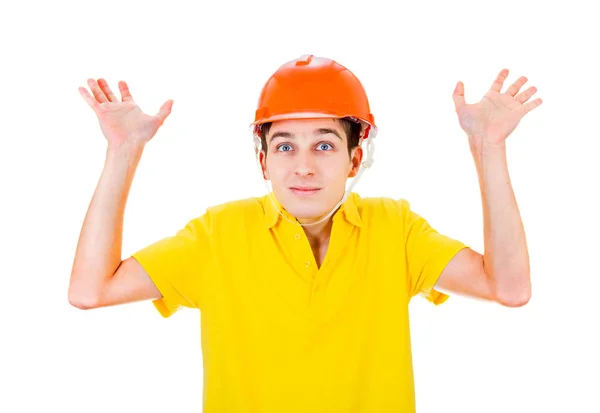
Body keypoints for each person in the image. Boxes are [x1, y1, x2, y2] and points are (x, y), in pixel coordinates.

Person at [68, 54, 542, 412]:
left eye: (323, 144)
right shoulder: (217, 235)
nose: (304, 166)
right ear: (263, 161)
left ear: (355, 159)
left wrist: (487, 146)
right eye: (285, 146)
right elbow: (92, 290)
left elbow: (510, 288)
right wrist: (124, 151)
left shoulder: (395, 229)